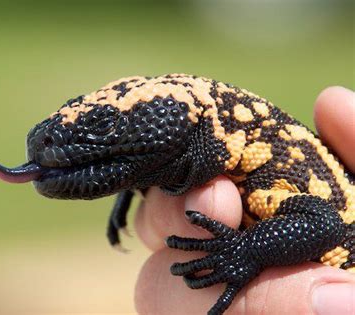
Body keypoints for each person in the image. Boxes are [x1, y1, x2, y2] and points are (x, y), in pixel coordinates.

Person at [134, 87, 355, 314]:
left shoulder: (276, 172)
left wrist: (246, 251)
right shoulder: (250, 160)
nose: (93, 143)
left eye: (105, 126)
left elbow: (325, 226)